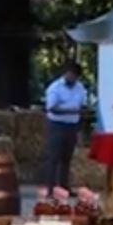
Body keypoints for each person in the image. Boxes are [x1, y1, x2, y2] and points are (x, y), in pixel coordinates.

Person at [41, 62, 86, 190]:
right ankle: (51, 188)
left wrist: (80, 115)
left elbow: (82, 105)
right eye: (71, 75)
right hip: (57, 124)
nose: (73, 79)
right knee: (53, 157)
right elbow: (51, 108)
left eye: (75, 77)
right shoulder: (55, 88)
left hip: (72, 125)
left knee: (67, 158)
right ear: (66, 73)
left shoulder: (80, 88)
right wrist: (72, 111)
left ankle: (64, 186)